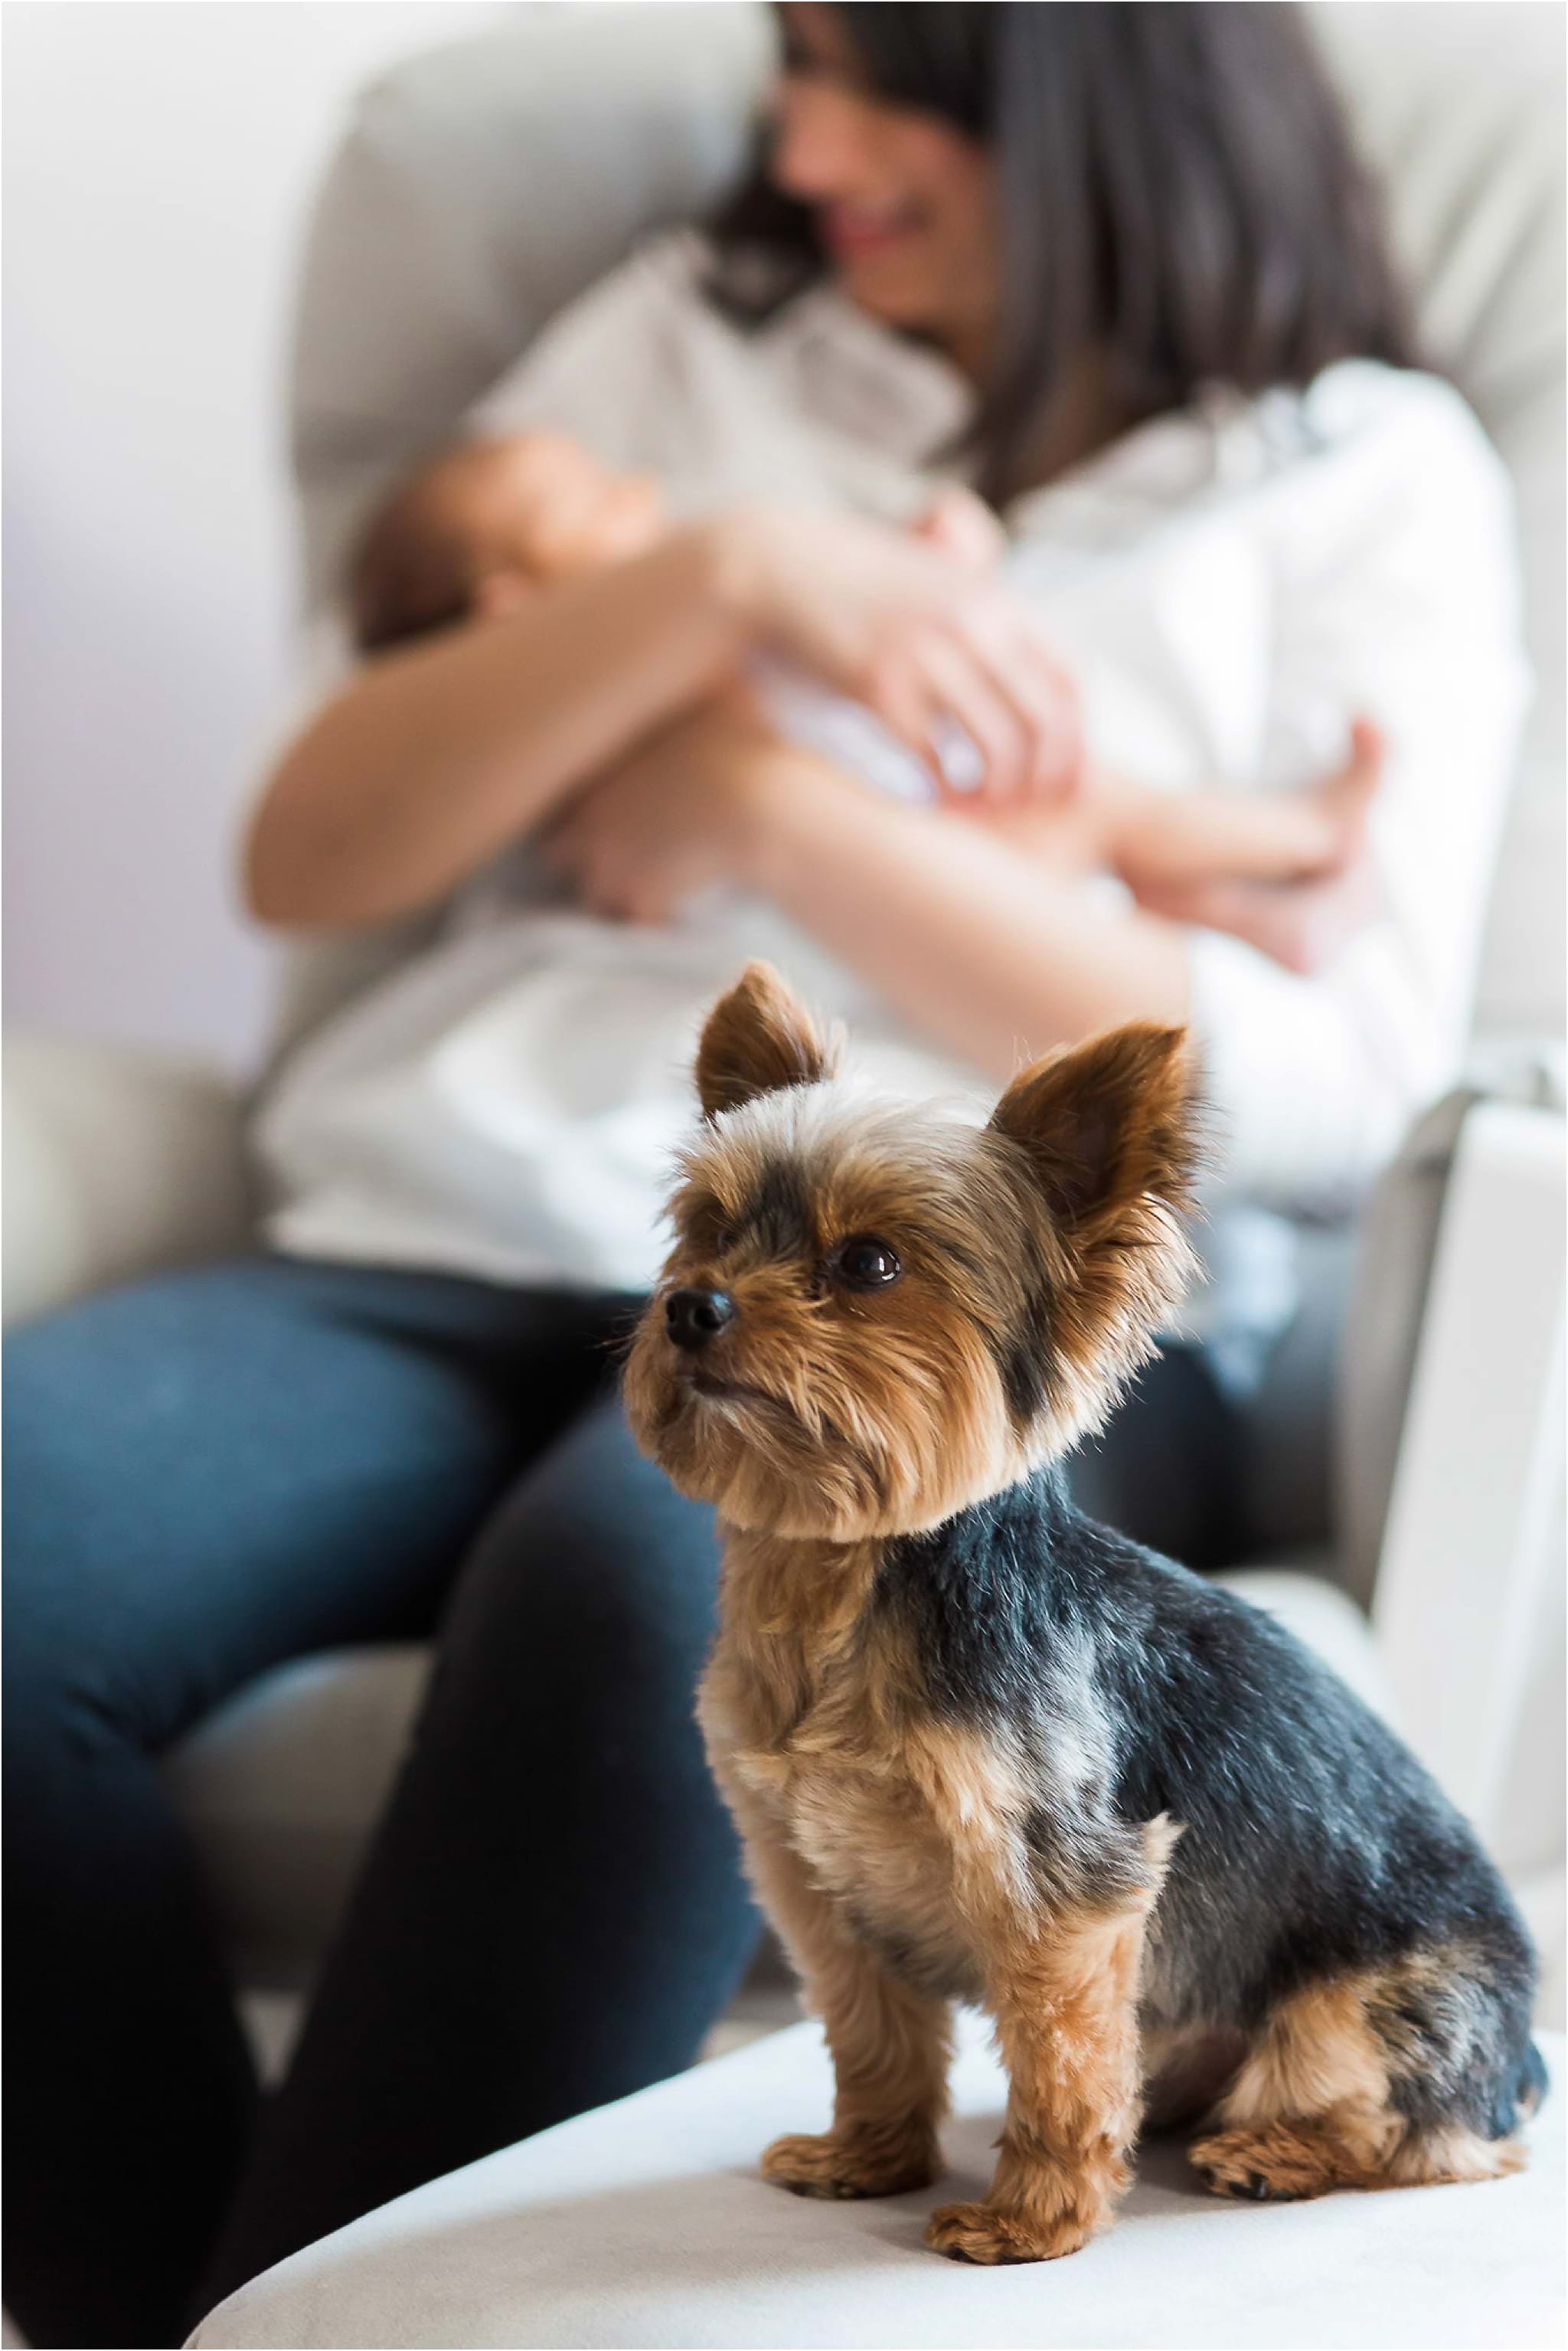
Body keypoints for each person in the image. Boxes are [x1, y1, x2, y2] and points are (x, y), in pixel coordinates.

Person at [3, 6, 1527, 2345]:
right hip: (441, 1225)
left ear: (1102, 84)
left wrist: (764, 813)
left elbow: (1325, 1073)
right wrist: (726, 582)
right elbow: (311, 852)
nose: (804, 141)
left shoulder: (1360, 482)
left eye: (884, 77)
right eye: (792, 61)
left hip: (961, 1367)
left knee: (646, 1629)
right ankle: (197, 2306)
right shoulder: (692, 346)